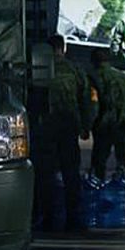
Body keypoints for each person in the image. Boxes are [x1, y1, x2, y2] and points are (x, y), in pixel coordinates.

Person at [33, 35, 95, 231]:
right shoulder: (75, 69)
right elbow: (86, 99)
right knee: (71, 173)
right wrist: (86, 125)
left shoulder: (37, 70)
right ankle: (73, 218)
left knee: (45, 174)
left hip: (45, 127)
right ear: (64, 48)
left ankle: (48, 217)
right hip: (68, 126)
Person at [89, 48, 125, 181]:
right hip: (123, 123)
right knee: (122, 159)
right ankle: (124, 186)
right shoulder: (124, 77)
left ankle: (99, 187)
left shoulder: (93, 77)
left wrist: (87, 125)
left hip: (104, 124)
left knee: (99, 161)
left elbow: (93, 104)